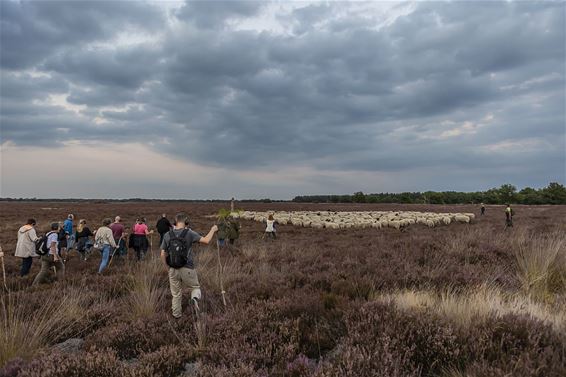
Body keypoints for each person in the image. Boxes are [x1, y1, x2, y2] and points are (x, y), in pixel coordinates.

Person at [160, 212, 218, 319]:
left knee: (176, 294)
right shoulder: (189, 233)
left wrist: (167, 267)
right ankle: (194, 299)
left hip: (172, 269)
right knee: (195, 287)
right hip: (187, 268)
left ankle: (176, 316)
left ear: (175, 222)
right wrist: (213, 230)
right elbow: (206, 240)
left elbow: (162, 253)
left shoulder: (167, 235)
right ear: (186, 222)